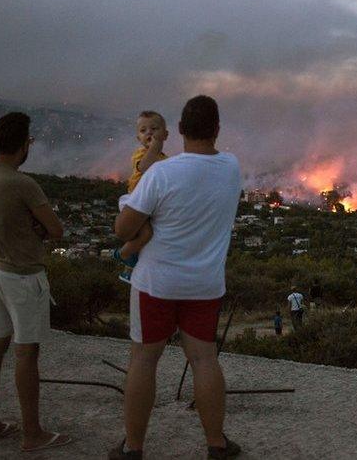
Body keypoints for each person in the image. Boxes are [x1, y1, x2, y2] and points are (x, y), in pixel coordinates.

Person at [110, 95, 242, 460]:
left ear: (179, 130)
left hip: (156, 284)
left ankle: (133, 447)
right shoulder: (231, 168)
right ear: (217, 130)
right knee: (204, 359)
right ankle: (216, 443)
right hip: (204, 285)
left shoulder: (161, 173)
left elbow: (124, 229)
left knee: (143, 360)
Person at [0, 112, 73, 452]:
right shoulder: (21, 183)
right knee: (26, 355)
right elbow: (57, 229)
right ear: (23, 144)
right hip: (22, 275)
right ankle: (33, 433)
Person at [114, 110, 170, 284]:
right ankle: (122, 254)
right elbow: (145, 167)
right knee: (146, 234)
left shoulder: (165, 159)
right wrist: (155, 146)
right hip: (135, 202)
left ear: (165, 134)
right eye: (143, 130)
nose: (149, 133)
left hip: (150, 204)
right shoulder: (141, 154)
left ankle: (129, 270)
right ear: (138, 138)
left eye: (154, 128)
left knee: (150, 238)